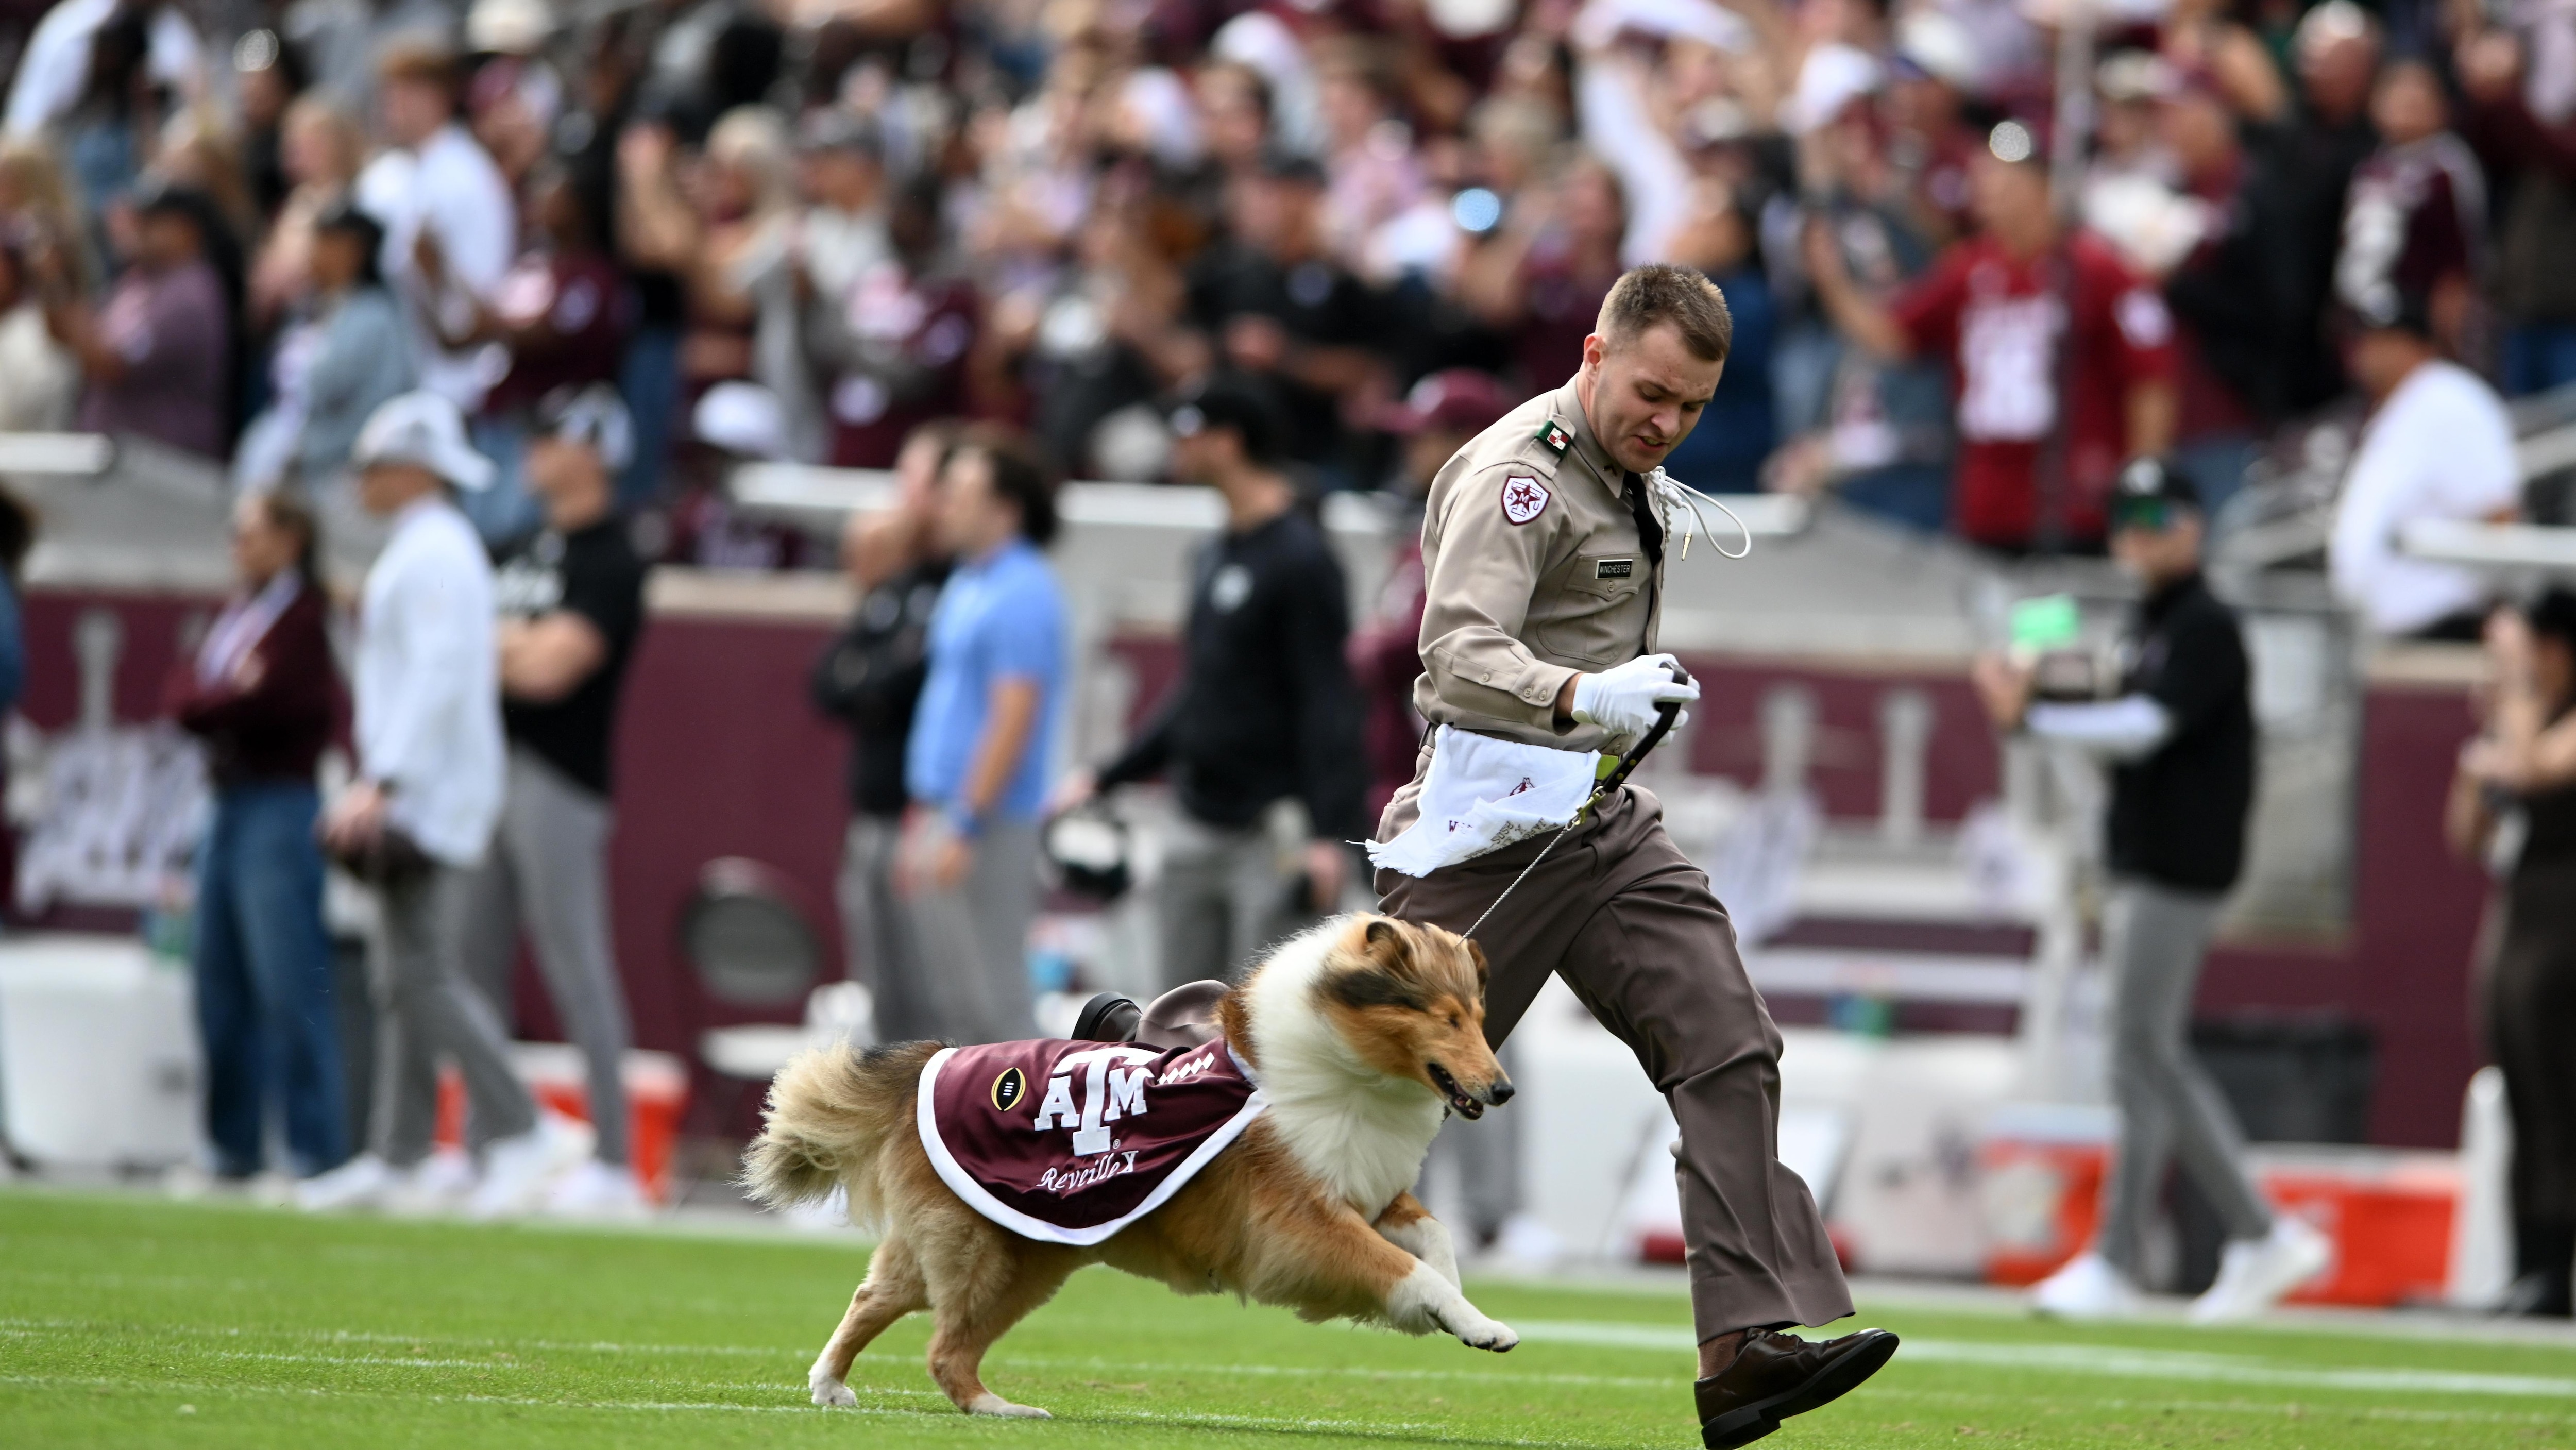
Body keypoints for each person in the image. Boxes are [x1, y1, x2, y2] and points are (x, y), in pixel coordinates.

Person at [1369, 264, 1896, 1447]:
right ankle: (1141, 1066)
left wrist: (1601, 718)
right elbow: (1455, 653)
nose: (1668, 422)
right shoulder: (1521, 477)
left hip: (1601, 822)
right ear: (1595, 356)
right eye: (1653, 392)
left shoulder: (1624, 471)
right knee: (1353, 1099)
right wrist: (1578, 694)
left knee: (1727, 1041)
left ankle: (1742, 1347)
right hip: (1489, 833)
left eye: (1695, 407)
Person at [1973, 457, 2332, 1323]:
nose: (2137, 533)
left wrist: (2033, 715)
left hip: (2180, 863)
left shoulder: (2204, 622)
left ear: (2192, 523)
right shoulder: (2153, 619)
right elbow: (2114, 726)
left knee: (2144, 1051)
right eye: (2126, 517)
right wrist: (2036, 692)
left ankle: (2229, 1232)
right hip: (2148, 858)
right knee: (2143, 1055)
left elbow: (2145, 727)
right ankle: (2168, 1248)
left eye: (2155, 516)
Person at [297, 391, 581, 1218]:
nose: (361, 479)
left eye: (374, 463)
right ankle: (399, 1152)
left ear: (414, 467)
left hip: (427, 791)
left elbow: (440, 671)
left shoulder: (435, 552)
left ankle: (523, 1123)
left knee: (417, 972)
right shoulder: (432, 548)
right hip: (427, 783)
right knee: (403, 973)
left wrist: (385, 777)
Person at [1056, 378, 1366, 989]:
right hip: (1194, 817)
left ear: (1226, 443)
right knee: (1174, 1020)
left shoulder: (1301, 559)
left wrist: (1330, 834)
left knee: (1266, 1026)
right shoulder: (1211, 553)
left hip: (1271, 830)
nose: (1176, 449)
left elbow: (1327, 698)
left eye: (1187, 434)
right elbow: (1202, 688)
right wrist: (1108, 774)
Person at [455, 384, 651, 1218]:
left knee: (578, 967)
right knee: (468, 964)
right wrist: (505, 645)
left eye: (551, 436)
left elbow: (551, 666)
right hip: (489, 767)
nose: (532, 449)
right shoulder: (513, 543)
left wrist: (486, 645)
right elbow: (480, 640)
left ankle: (614, 1158)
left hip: (560, 777)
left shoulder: (613, 554)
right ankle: (488, 1144)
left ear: (595, 450)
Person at [1805, 120, 2179, 553]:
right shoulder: (1970, 270)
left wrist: (2142, 487)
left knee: (2058, 620)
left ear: (2042, 187)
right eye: (1984, 180)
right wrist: (1832, 280)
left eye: (2004, 180)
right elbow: (1893, 337)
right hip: (1988, 502)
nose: (1988, 192)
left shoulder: (2096, 269)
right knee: (2002, 617)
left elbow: (2151, 381)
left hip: (2076, 498)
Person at [165, 491, 347, 1187]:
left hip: (280, 804)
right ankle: (229, 1147)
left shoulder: (303, 616)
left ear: (291, 537)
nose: (236, 544)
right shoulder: (242, 612)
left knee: (287, 979)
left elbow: (278, 701)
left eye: (250, 531)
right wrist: (218, 699)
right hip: (226, 802)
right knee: (218, 979)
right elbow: (184, 691)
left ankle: (313, 1151)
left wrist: (218, 702)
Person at [896, 429, 1064, 1043]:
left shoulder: (1022, 590)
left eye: (962, 492)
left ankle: (1024, 1136)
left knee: (996, 1000)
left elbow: (1012, 714)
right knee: (956, 1001)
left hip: (987, 821)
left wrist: (966, 821)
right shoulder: (969, 581)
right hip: (947, 809)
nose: (945, 505)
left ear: (1004, 509)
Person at [2448, 591, 2576, 1317]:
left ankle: (2558, 1266)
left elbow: (2532, 770)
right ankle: (2527, 1261)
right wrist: (2478, 759)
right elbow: (2468, 834)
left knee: (2560, 1092)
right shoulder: (2517, 711)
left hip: (2566, 915)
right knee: (2520, 1086)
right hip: (2519, 909)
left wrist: (2519, 698)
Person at [811, 421, 954, 1042]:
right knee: (884, 999)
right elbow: (829, 683)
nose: (903, 498)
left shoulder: (961, 585)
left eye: (915, 482)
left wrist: (872, 682)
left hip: (923, 816)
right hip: (870, 810)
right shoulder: (895, 585)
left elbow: (898, 684)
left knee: (936, 998)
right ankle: (899, 1133)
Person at [2327, 289, 2522, 639]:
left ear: (2418, 345)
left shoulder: (2450, 399)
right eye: (2366, 338)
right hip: (2397, 633)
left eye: (2384, 339)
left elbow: (2499, 515)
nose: (2368, 350)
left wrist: (2490, 617)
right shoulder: (2400, 407)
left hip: (2449, 627)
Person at [353, 41, 515, 417]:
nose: (391, 106)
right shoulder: (396, 171)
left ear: (437, 97)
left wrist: (433, 273)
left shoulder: (467, 177)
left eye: (403, 93)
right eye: (388, 93)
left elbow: (481, 303)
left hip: (453, 389)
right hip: (399, 382)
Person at [41, 180, 232, 458]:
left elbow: (111, 364)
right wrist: (51, 280)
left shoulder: (191, 295)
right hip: (119, 465)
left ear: (187, 230)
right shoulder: (138, 280)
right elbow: (64, 335)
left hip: (163, 473)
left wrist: (57, 277)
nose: (137, 229)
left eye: (152, 222)